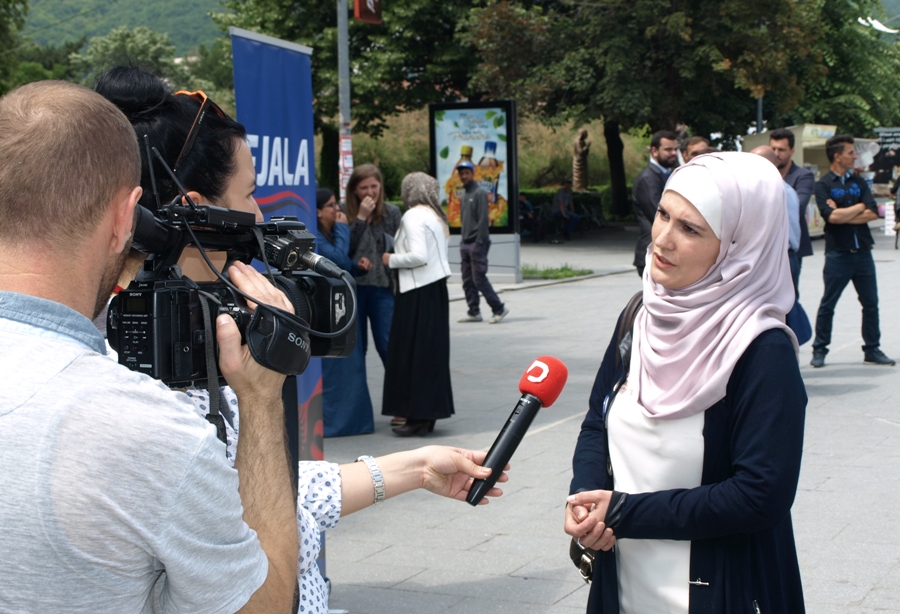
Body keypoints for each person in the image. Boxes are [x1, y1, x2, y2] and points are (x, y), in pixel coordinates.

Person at [87, 66, 509, 612]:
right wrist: (262, 400)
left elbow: (264, 485)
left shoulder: (197, 326)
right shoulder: (134, 380)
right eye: (250, 193)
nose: (262, 214)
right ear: (196, 209)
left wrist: (413, 469)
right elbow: (250, 566)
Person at [565, 152, 807, 613]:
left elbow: (760, 495)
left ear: (739, 245)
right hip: (626, 583)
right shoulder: (641, 314)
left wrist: (622, 512)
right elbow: (598, 420)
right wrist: (585, 496)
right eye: (663, 214)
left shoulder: (763, 351)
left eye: (690, 229)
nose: (662, 239)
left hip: (720, 589)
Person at [810, 135, 895, 367]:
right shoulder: (823, 185)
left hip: (864, 252)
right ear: (837, 156)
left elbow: (873, 213)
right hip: (838, 253)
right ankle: (820, 349)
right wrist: (858, 209)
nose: (855, 156)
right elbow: (831, 218)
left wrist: (848, 211)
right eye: (850, 153)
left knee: (871, 304)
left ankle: (872, 349)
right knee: (829, 303)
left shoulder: (859, 182)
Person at [382, 173, 455, 436]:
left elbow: (418, 256)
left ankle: (416, 415)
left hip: (416, 292)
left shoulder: (413, 215)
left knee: (411, 355)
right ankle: (427, 415)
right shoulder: (436, 216)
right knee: (430, 355)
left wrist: (390, 259)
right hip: (435, 292)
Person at [314, 188, 376, 437]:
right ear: (318, 211)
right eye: (332, 206)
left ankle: (354, 422)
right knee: (336, 368)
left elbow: (343, 265)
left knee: (352, 366)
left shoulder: (327, 234)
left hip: (340, 307)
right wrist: (342, 228)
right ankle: (336, 424)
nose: (337, 210)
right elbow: (336, 259)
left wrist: (358, 269)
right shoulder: (317, 236)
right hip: (328, 313)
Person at [345, 164, 402, 367]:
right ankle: (358, 398)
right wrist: (360, 218)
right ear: (354, 190)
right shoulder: (345, 212)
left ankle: (399, 395)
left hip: (383, 287)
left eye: (374, 186)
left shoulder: (392, 213)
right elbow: (345, 249)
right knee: (357, 348)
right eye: (364, 188)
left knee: (388, 344)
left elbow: (400, 246)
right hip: (353, 289)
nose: (370, 192)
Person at [457, 160, 509, 324]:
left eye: (467, 173)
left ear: (473, 174)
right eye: (461, 173)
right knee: (467, 280)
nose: (464, 176)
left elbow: (483, 220)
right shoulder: (463, 195)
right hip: (465, 243)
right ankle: (474, 311)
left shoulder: (479, 193)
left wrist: (479, 242)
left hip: (477, 243)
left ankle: (498, 308)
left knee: (479, 278)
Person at [751, 145, 802, 295]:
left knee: (784, 311)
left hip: (778, 259)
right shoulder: (780, 189)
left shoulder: (776, 191)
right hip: (781, 257)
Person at [770, 128, 815, 285]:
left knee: (790, 299)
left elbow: (799, 207)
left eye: (781, 149)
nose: (776, 153)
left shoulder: (803, 175)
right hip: (768, 248)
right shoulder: (763, 177)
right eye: (773, 149)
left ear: (792, 150)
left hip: (791, 249)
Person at [632, 130, 679, 277]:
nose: (673, 153)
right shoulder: (648, 179)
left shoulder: (669, 173)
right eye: (668, 149)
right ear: (654, 150)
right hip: (653, 253)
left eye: (675, 149)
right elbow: (658, 214)